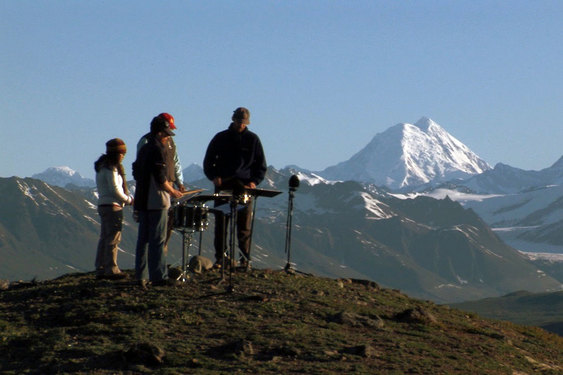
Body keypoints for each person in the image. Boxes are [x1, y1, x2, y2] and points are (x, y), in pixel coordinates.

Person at [203, 107, 267, 270]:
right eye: (238, 121)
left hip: (244, 186)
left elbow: (261, 166)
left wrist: (254, 182)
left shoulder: (253, 140)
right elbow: (208, 161)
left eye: (243, 122)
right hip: (224, 184)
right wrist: (214, 176)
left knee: (244, 225)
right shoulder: (220, 138)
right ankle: (221, 257)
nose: (240, 125)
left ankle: (244, 258)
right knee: (221, 223)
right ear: (233, 120)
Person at [133, 116, 183, 286]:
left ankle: (140, 275)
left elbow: (135, 170)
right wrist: (173, 191)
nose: (168, 137)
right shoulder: (158, 149)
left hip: (143, 198)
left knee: (143, 239)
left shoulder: (144, 148)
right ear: (160, 132)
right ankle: (158, 276)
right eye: (167, 133)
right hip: (157, 200)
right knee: (158, 239)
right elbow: (161, 177)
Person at [94, 138, 134, 280]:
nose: (123, 157)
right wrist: (129, 200)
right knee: (113, 237)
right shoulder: (111, 168)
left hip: (103, 204)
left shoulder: (101, 167)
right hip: (113, 206)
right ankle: (111, 268)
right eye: (122, 154)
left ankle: (100, 267)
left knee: (104, 237)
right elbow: (115, 189)